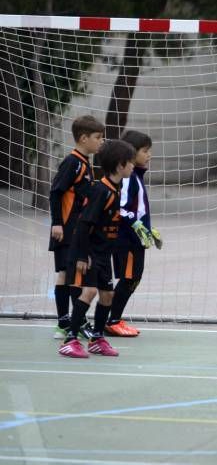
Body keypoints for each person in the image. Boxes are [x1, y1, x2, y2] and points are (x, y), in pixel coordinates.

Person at [58, 140, 136, 358]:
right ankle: (70, 338)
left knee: (107, 295)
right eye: (130, 163)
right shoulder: (100, 191)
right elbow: (84, 225)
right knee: (89, 291)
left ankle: (97, 338)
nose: (133, 167)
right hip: (89, 252)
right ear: (120, 165)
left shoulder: (116, 189)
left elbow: (111, 223)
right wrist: (83, 255)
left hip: (104, 253)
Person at [49, 115, 105, 340]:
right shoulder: (72, 162)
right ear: (83, 138)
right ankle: (69, 322)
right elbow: (55, 192)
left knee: (68, 274)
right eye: (98, 137)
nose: (101, 141)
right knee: (68, 274)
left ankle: (69, 321)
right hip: (66, 229)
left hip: (77, 229)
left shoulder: (85, 162)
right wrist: (57, 223)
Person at [106, 130, 163, 337]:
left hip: (136, 239)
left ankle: (114, 318)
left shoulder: (136, 176)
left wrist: (149, 229)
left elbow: (136, 208)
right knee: (130, 277)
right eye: (145, 151)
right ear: (131, 154)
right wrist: (136, 225)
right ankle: (111, 321)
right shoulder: (128, 178)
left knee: (133, 278)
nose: (149, 155)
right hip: (126, 240)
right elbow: (121, 208)